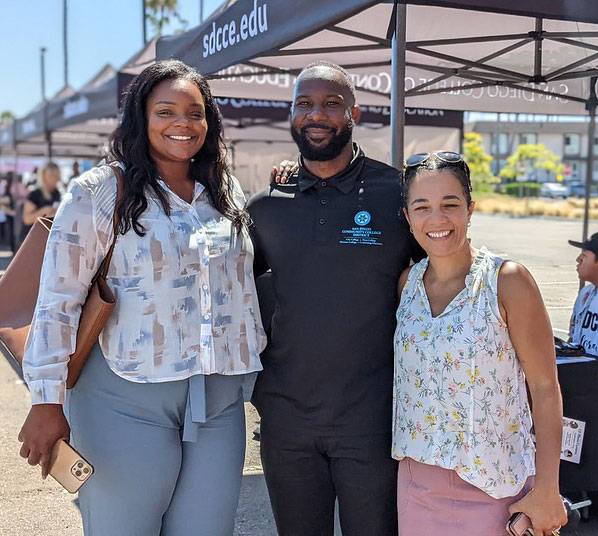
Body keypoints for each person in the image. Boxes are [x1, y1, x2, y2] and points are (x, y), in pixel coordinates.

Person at [18, 60, 266, 535]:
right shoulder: (99, 192)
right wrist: (46, 402)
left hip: (217, 402)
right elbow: (58, 300)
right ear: (141, 117)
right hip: (124, 397)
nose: (182, 124)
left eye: (195, 113)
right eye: (166, 111)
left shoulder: (224, 191)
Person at [247, 61, 423, 536]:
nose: (315, 114)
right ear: (291, 114)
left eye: (330, 103)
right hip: (287, 421)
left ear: (354, 113)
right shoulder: (265, 207)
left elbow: (443, 277)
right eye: (303, 103)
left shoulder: (397, 195)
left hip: (373, 418)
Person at [393, 152, 567, 536]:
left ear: (471, 208)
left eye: (450, 205)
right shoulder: (407, 285)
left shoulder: (508, 281)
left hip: (495, 490)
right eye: (421, 207)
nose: (436, 220)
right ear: (407, 217)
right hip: (417, 488)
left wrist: (548, 488)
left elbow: (544, 387)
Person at [568, 232, 598, 356]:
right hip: (583, 370)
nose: (578, 259)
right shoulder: (585, 294)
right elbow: (573, 335)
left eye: (584, 255)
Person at [20, 162, 62, 241]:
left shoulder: (57, 193)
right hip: (31, 239)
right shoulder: (35, 194)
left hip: (47, 239)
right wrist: (43, 211)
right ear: (44, 176)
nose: (55, 178)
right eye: (52, 175)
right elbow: (26, 219)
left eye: (57, 175)